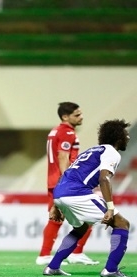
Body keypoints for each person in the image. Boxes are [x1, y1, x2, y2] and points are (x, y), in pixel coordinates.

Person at [43, 119, 131, 277]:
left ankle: (53, 267)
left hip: (61, 192)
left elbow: (67, 173)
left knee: (81, 228)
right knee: (122, 224)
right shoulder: (111, 152)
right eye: (126, 134)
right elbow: (104, 179)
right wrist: (110, 208)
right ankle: (110, 270)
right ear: (118, 137)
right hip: (76, 192)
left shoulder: (92, 150)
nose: (128, 138)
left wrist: (56, 204)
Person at [36, 102, 99, 266]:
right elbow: (63, 157)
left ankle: (71, 253)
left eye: (81, 113)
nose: (81, 117)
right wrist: (67, 181)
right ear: (65, 117)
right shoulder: (67, 132)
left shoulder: (55, 130)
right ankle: (50, 255)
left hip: (55, 179)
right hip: (63, 181)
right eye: (76, 115)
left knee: (68, 219)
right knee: (85, 216)